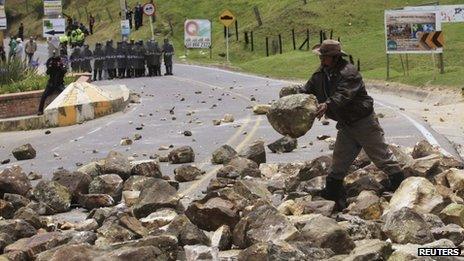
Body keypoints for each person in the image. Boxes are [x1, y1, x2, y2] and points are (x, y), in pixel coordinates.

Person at [298, 40, 405, 210]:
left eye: (324, 56)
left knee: (381, 157)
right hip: (346, 125)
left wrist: (327, 105)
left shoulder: (349, 73)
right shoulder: (321, 73)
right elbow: (308, 89)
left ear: (334, 57)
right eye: (321, 56)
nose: (321, 59)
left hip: (364, 122)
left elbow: (343, 96)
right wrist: (295, 97)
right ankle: (333, 196)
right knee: (339, 162)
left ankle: (403, 189)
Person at [38, 50, 67, 115]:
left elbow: (65, 71)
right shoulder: (50, 62)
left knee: (66, 94)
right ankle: (40, 110)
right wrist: (51, 66)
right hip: (51, 84)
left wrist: (60, 66)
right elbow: (47, 73)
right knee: (44, 96)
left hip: (59, 84)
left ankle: (66, 110)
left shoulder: (61, 62)